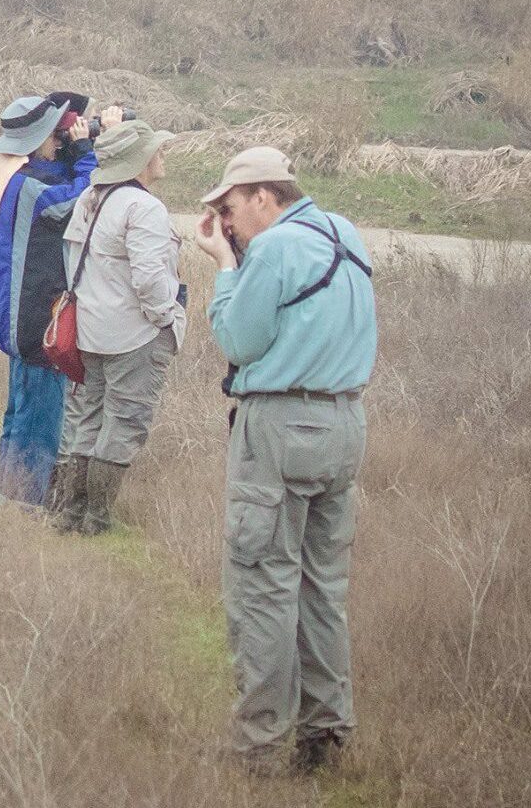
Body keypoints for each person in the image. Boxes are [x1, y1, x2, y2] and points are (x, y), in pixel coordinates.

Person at [191, 146, 376, 777]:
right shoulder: (345, 233)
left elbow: (239, 340)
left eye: (230, 208)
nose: (227, 223)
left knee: (263, 587)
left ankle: (260, 747)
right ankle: (325, 736)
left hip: (280, 426)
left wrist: (225, 267)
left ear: (263, 197)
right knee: (323, 587)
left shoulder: (271, 250)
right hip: (345, 423)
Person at [0, 96, 123, 506]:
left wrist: (78, 147)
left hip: (17, 312)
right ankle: (25, 501)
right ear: (36, 141)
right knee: (40, 415)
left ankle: (7, 492)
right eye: (54, 136)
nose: (58, 142)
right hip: (33, 317)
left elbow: (58, 179)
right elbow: (79, 199)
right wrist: (86, 151)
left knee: (20, 409)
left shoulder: (9, 173)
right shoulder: (28, 188)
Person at [50, 120, 184, 535]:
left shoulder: (90, 197)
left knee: (88, 419)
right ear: (139, 159)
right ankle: (97, 519)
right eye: (156, 149)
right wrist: (166, 318)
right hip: (134, 334)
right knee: (125, 421)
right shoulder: (144, 207)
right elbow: (149, 278)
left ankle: (70, 514)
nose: (162, 155)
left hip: (90, 331)